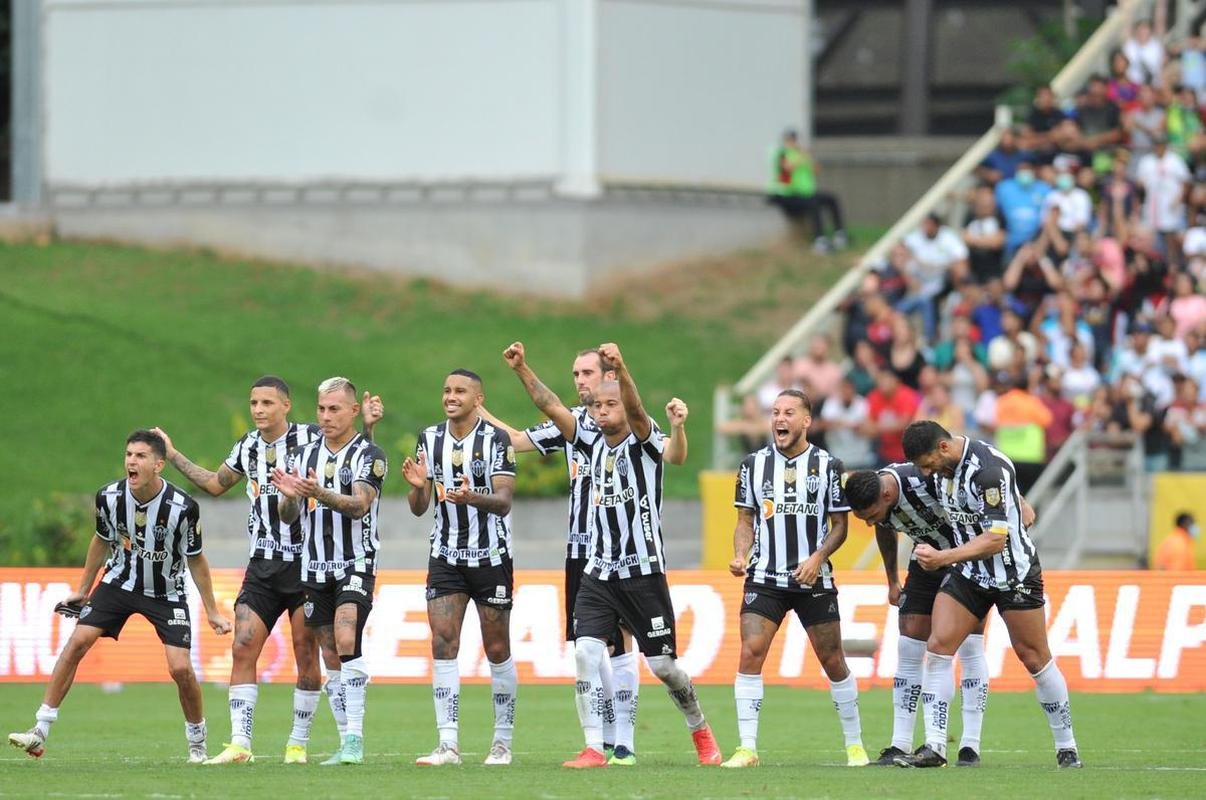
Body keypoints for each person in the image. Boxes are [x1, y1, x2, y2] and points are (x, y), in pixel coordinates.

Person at [503, 341, 722, 768]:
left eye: (610, 404)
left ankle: (699, 728)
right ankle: (594, 746)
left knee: (663, 666)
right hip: (598, 569)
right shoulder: (588, 440)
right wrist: (522, 369)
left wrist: (622, 368)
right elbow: (550, 405)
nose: (601, 412)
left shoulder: (644, 441)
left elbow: (641, 414)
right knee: (586, 652)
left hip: (643, 571)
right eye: (597, 406)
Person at [152, 377, 382, 765]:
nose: (258, 410)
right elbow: (214, 483)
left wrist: (371, 427)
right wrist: (172, 455)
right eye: (254, 403)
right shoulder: (247, 445)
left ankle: (299, 742)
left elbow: (351, 450)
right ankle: (240, 743)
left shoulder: (310, 437)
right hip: (262, 563)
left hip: (305, 561)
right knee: (242, 644)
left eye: (267, 403)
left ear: (287, 406)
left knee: (307, 653)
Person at [8, 431, 232, 761]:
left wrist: (212, 610)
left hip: (166, 592)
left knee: (181, 669)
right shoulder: (109, 497)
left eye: (140, 456)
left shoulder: (183, 508)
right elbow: (100, 541)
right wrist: (83, 590)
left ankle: (197, 741)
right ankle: (40, 729)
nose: (131, 461)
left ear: (158, 465)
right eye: (129, 454)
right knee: (78, 641)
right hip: (119, 583)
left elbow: (196, 558)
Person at [895, 421, 1082, 770]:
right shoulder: (942, 469)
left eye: (926, 463)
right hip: (971, 574)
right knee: (939, 647)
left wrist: (942, 558)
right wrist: (1018, 499)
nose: (925, 472)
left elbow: (996, 539)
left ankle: (1067, 745)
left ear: (943, 448)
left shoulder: (987, 470)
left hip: (1014, 573)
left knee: (1034, 658)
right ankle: (935, 746)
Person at [720, 390, 867, 769]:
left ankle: (855, 745)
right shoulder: (752, 465)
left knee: (833, 659)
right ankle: (747, 748)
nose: (779, 419)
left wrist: (818, 558)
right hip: (764, 576)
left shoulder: (829, 466)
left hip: (812, 578)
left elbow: (840, 526)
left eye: (788, 413)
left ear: (806, 422)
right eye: (775, 412)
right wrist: (740, 554)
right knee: (751, 651)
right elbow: (745, 521)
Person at [844, 466, 1008, 768]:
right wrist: (892, 579)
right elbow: (885, 529)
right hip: (926, 560)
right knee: (908, 641)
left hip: (966, 558)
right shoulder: (878, 495)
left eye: (870, 515)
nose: (869, 522)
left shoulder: (925, 478)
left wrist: (1018, 500)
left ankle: (970, 745)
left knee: (970, 644)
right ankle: (899, 743)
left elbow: (986, 476)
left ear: (887, 494)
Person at [400, 369, 518, 766]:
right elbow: (420, 510)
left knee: (497, 648)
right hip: (446, 555)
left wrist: (471, 497)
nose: (451, 396)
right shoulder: (429, 439)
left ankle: (501, 742)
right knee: (442, 642)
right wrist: (418, 487)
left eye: (460, 391)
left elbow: (503, 501)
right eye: (447, 389)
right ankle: (447, 744)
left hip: (490, 558)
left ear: (478, 398)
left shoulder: (496, 440)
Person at [270, 378, 388, 766]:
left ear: (353, 411)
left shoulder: (368, 454)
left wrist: (316, 492)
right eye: (321, 409)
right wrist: (289, 498)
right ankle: (344, 742)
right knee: (330, 656)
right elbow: (289, 517)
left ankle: (355, 738)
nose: (325, 416)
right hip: (314, 566)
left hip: (356, 561)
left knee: (345, 633)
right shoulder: (303, 455)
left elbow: (360, 506)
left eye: (334, 409)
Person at [767, 129, 848, 252]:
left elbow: (816, 170)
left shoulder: (801, 154)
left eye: (794, 140)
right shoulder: (782, 152)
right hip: (787, 194)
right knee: (813, 204)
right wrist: (801, 156)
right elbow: (787, 168)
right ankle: (819, 240)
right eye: (790, 140)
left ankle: (839, 235)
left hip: (806, 192)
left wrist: (808, 158)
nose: (793, 142)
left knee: (832, 199)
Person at [995, 158, 1051, 261]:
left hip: (1038, 243)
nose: (1024, 172)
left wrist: (1040, 244)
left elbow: (1049, 218)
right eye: (1021, 169)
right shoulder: (1004, 188)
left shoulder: (1045, 189)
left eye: (1027, 169)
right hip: (1011, 244)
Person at [867, 369, 921, 463]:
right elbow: (866, 427)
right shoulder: (874, 396)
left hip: (907, 453)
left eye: (886, 381)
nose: (883, 385)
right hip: (883, 452)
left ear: (896, 381)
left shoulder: (907, 395)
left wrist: (877, 427)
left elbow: (904, 424)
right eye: (880, 381)